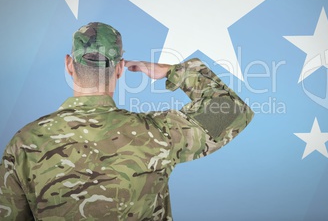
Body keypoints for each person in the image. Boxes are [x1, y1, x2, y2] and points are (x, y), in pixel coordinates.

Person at [0, 22, 254, 220]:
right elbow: (231, 110)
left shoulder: (24, 143)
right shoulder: (157, 134)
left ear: (69, 64)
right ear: (120, 68)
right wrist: (174, 72)